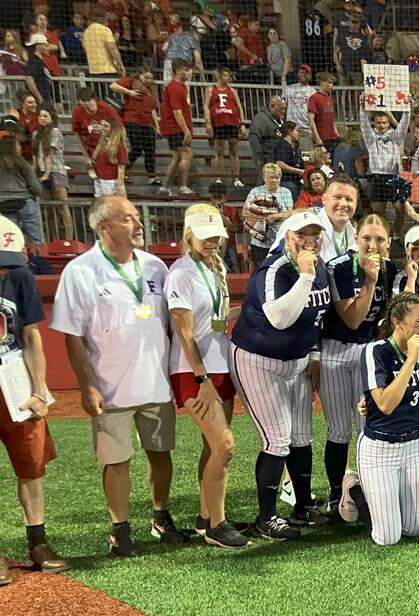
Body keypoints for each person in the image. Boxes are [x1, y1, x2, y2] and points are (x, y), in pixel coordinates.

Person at [50, 196, 186, 557]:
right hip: (109, 386)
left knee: (161, 453)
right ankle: (120, 528)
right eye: (128, 219)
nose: (138, 224)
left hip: (155, 382)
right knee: (117, 460)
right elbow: (72, 335)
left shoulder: (156, 267)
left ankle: (160, 516)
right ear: (103, 226)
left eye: (137, 217)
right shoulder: (80, 271)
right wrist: (86, 384)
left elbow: (174, 327)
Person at [230, 210, 333, 540]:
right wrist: (304, 277)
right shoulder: (273, 269)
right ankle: (267, 517)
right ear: (288, 238)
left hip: (298, 361)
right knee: (277, 438)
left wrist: (314, 354)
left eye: (315, 236)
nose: (309, 242)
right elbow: (279, 318)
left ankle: (303, 507)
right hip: (259, 360)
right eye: (302, 235)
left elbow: (320, 317)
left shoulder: (322, 270)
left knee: (302, 435)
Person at [165, 206, 246, 549]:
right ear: (189, 234)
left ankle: (206, 516)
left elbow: (216, 317)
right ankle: (217, 523)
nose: (213, 241)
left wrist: (254, 310)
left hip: (219, 362)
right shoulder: (181, 272)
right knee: (224, 445)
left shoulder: (215, 268)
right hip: (194, 370)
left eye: (217, 236)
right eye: (206, 234)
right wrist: (201, 378)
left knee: (212, 446)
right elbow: (184, 333)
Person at [0, 217, 68, 579]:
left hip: (14, 380)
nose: (3, 270)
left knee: (32, 465)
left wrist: (40, 389)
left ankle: (37, 540)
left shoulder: (20, 276)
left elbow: (31, 337)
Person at [321, 214, 396, 516]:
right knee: (339, 430)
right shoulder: (338, 266)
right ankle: (335, 492)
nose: (373, 244)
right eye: (367, 238)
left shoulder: (390, 268)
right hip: (336, 353)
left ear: (389, 242)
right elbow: (352, 320)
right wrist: (370, 281)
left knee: (369, 426)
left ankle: (367, 488)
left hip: (369, 352)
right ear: (356, 238)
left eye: (379, 239)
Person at [354, 287, 419, 545]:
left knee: (415, 529)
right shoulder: (376, 350)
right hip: (380, 449)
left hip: (415, 446)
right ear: (397, 323)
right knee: (388, 537)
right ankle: (354, 491)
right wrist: (410, 360)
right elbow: (386, 405)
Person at [110, 69, 160, 186]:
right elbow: (113, 86)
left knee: (150, 151)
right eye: (146, 77)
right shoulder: (131, 81)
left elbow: (152, 109)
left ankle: (151, 177)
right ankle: (123, 171)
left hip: (147, 122)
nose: (148, 80)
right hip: (132, 119)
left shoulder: (151, 90)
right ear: (140, 75)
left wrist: (157, 126)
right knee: (137, 147)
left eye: (150, 78)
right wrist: (129, 92)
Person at [31, 108, 72, 240]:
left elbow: (49, 154)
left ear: (52, 118)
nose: (42, 118)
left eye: (45, 116)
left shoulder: (55, 132)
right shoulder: (36, 133)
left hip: (56, 171)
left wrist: (47, 174)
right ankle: (53, 239)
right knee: (49, 210)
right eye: (40, 116)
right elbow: (35, 156)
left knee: (62, 207)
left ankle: (68, 239)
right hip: (42, 172)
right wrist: (35, 173)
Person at [243, 164, 295, 267]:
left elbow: (290, 213)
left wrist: (275, 216)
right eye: (271, 177)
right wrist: (265, 217)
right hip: (260, 241)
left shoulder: (286, 192)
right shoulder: (255, 191)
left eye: (277, 177)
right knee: (261, 270)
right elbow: (245, 212)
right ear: (264, 177)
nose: (275, 180)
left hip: (281, 241)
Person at [206, 68, 247, 188]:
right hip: (218, 122)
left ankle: (236, 178)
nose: (227, 78)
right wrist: (208, 122)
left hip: (232, 122)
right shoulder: (210, 90)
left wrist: (242, 124)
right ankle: (218, 178)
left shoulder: (232, 91)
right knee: (219, 151)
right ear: (219, 76)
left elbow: (239, 107)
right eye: (225, 75)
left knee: (234, 151)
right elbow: (206, 107)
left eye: (228, 76)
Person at [159, 59, 194, 196]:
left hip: (175, 128)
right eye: (185, 70)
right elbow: (177, 111)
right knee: (186, 154)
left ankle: (165, 187)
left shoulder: (181, 87)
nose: (188, 72)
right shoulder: (175, 87)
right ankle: (182, 186)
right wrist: (186, 131)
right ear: (178, 71)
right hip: (176, 128)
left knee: (177, 157)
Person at [0, 137, 43, 246]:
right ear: (13, 147)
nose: (20, 148)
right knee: (36, 239)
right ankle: (38, 260)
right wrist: (34, 193)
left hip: (4, 205)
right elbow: (35, 187)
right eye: (18, 145)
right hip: (25, 201)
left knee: (11, 241)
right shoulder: (22, 162)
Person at [91, 123, 127, 198]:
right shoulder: (102, 143)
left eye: (106, 126)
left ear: (113, 129)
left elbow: (121, 167)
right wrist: (102, 138)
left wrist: (120, 186)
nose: (103, 128)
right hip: (99, 179)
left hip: (111, 181)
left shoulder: (119, 146)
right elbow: (94, 157)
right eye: (103, 126)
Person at [308, 72, 339, 155]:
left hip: (332, 137)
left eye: (332, 83)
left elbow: (332, 120)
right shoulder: (314, 98)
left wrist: (336, 134)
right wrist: (317, 137)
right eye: (329, 82)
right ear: (322, 82)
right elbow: (311, 119)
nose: (331, 85)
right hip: (322, 137)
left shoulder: (330, 99)